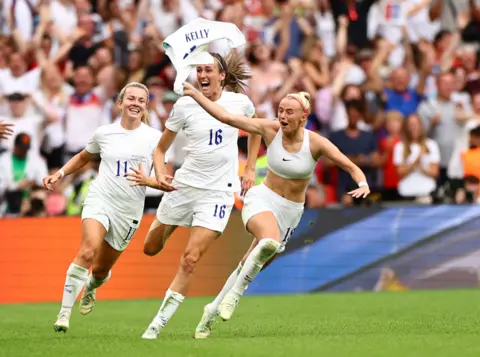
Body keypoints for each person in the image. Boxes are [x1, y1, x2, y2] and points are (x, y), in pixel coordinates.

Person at [181, 81, 370, 338]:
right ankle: (234, 297)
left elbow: (350, 166)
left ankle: (211, 311)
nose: (282, 115)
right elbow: (225, 116)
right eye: (280, 110)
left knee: (250, 263)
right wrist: (195, 96)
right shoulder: (269, 130)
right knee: (268, 241)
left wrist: (363, 183)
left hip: (290, 212)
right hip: (262, 198)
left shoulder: (316, 143)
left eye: (289, 112)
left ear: (303, 117)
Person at [136, 52, 262, 340]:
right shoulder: (184, 105)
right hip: (184, 186)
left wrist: (250, 167)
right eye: (199, 70)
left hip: (217, 193)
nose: (202, 75)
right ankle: (167, 226)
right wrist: (159, 174)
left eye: (208, 70)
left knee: (190, 259)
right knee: (151, 248)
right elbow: (160, 149)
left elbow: (256, 130)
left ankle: (157, 324)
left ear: (221, 75)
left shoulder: (240, 103)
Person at [42, 82, 163, 333]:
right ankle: (63, 314)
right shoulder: (104, 133)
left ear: (146, 105)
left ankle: (91, 287)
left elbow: (163, 179)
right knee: (87, 251)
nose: (136, 103)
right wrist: (60, 173)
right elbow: (84, 157)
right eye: (131, 98)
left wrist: (149, 181)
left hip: (128, 210)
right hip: (101, 198)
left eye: (141, 100)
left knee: (100, 270)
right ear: (120, 103)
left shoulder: (154, 138)